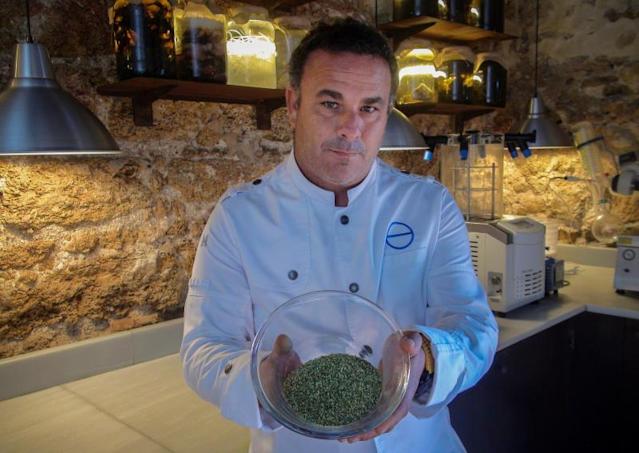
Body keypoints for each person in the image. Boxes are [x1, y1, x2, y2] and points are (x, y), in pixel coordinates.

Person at [181, 18, 498, 453]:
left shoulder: (430, 205)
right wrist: (258, 380)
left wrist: (424, 358)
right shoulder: (239, 216)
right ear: (293, 104)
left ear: (387, 111)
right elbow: (203, 347)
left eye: (370, 108)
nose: (351, 129)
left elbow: (475, 328)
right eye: (331, 104)